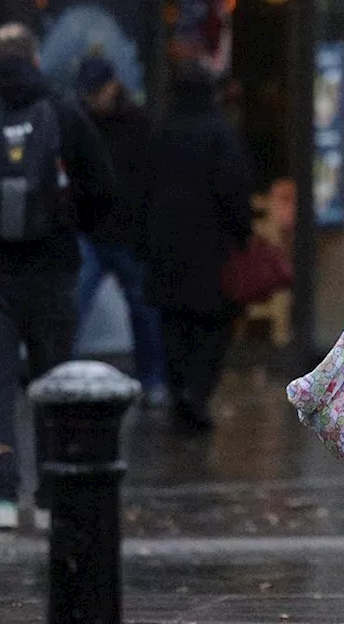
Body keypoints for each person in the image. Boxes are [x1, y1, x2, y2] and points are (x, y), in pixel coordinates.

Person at [0, 23, 116, 533]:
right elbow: (103, 189)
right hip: (53, 270)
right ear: (34, 58)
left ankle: (3, 499)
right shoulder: (64, 113)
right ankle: (52, 499)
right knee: (54, 380)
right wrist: (71, 225)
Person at [142, 62, 252, 434]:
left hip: (167, 247)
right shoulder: (220, 134)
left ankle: (181, 391)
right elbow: (234, 190)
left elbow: (142, 189)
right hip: (211, 249)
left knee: (175, 326)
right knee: (212, 326)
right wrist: (241, 234)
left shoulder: (162, 131)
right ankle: (198, 393)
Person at [72, 56, 168, 405]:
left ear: (112, 86)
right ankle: (153, 381)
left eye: (95, 91)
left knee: (142, 311)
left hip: (122, 233)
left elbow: (149, 183)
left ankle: (154, 380)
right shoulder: (99, 122)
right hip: (102, 231)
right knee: (77, 306)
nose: (91, 99)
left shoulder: (137, 125)